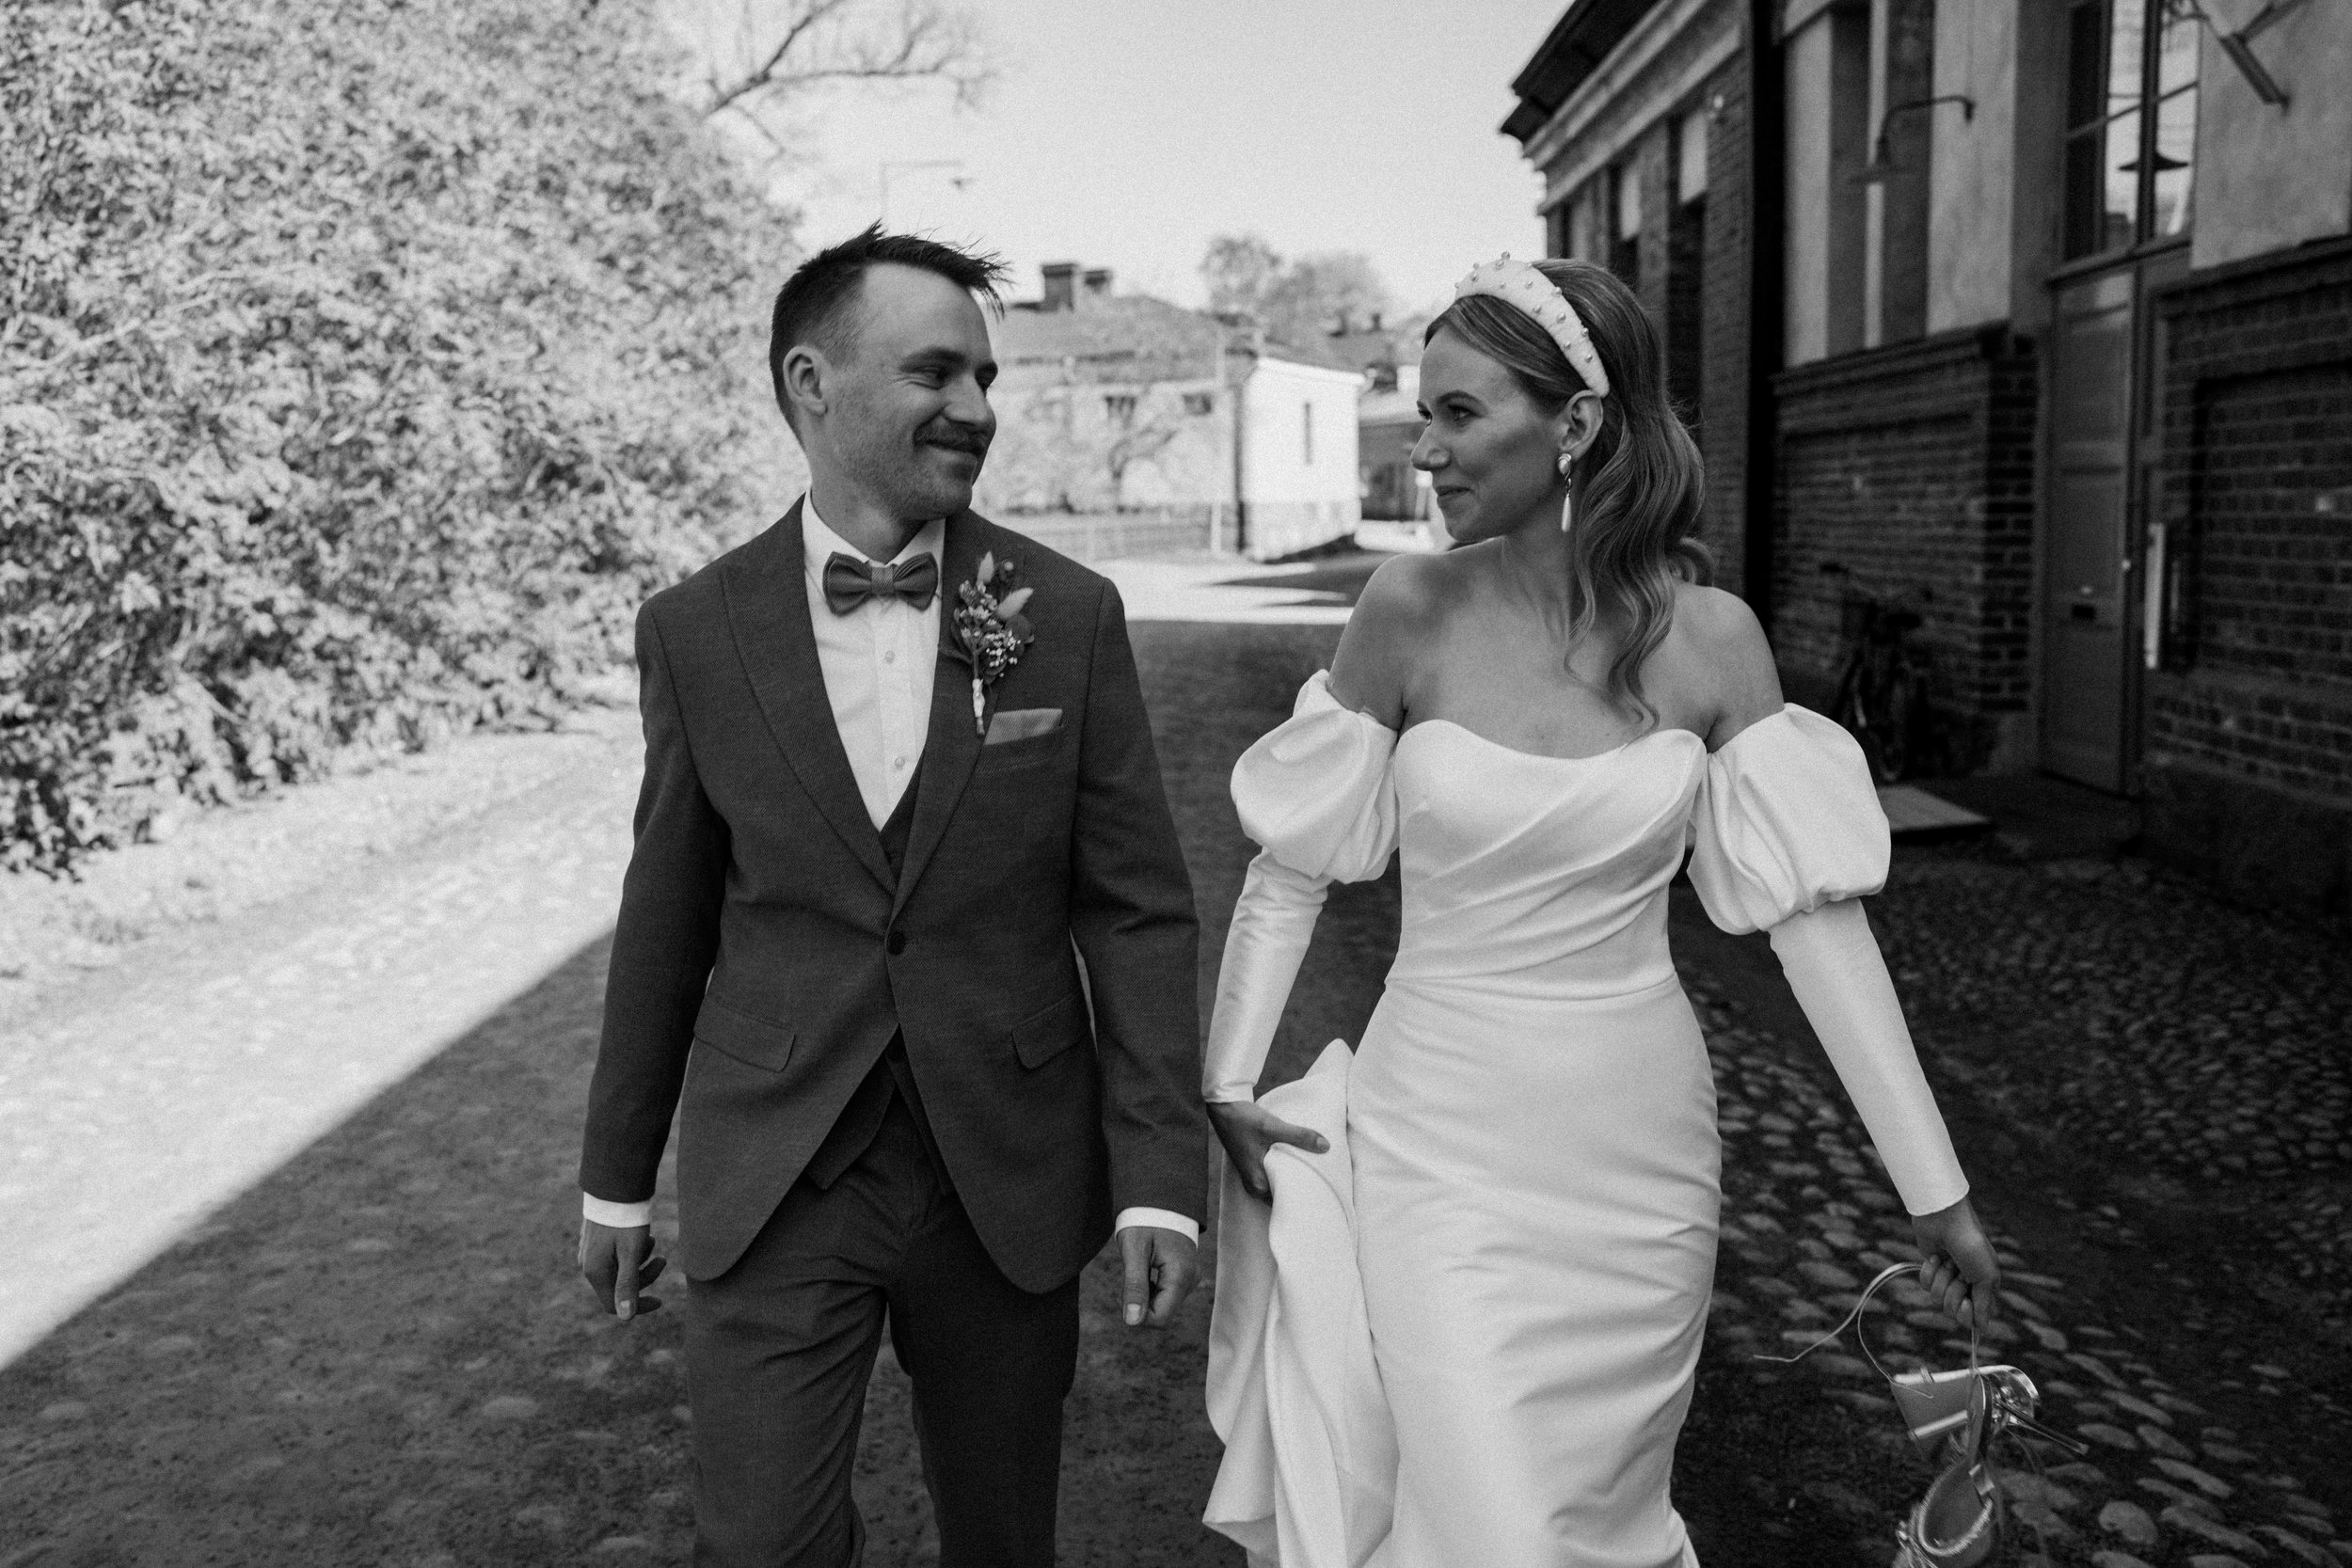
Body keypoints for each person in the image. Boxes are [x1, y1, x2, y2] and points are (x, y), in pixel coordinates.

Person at [1199, 256, 1999, 1566]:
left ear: (1573, 425)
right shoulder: (1409, 610)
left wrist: (1936, 1187)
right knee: (1491, 1519)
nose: (1427, 451)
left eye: (1460, 415)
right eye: (1424, 413)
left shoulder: (1717, 640)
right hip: (1435, 1140)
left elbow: (1817, 930)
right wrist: (1230, 1078)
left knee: (1595, 1516)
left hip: (1638, 1157)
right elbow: (1288, 868)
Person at [575, 226, 1207, 1568]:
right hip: (780, 1164)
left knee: (1001, 1538)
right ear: (813, 383)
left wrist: (1157, 1178)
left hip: (1004, 1163)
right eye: (937, 372)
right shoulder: (695, 631)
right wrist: (616, 1180)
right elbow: (668, 912)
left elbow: (1136, 908)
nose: (976, 410)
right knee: (764, 1546)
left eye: (986, 378)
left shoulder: (1066, 611)